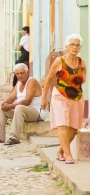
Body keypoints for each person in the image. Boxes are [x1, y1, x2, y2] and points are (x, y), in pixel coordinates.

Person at [41, 34, 86, 164]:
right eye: (72, 44)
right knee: (62, 126)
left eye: (77, 45)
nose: (74, 47)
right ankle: (68, 155)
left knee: (73, 128)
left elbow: (84, 79)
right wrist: (44, 98)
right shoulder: (59, 61)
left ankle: (60, 150)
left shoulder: (82, 63)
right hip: (60, 96)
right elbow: (48, 79)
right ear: (66, 46)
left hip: (76, 97)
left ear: (80, 48)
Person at [0, 63, 43, 145]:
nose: (20, 76)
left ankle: (14, 138)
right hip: (23, 111)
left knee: (19, 107)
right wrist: (4, 104)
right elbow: (11, 98)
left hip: (37, 112)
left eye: (22, 73)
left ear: (27, 72)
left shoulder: (32, 81)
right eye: (17, 74)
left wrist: (11, 106)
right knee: (2, 109)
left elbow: (27, 101)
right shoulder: (19, 83)